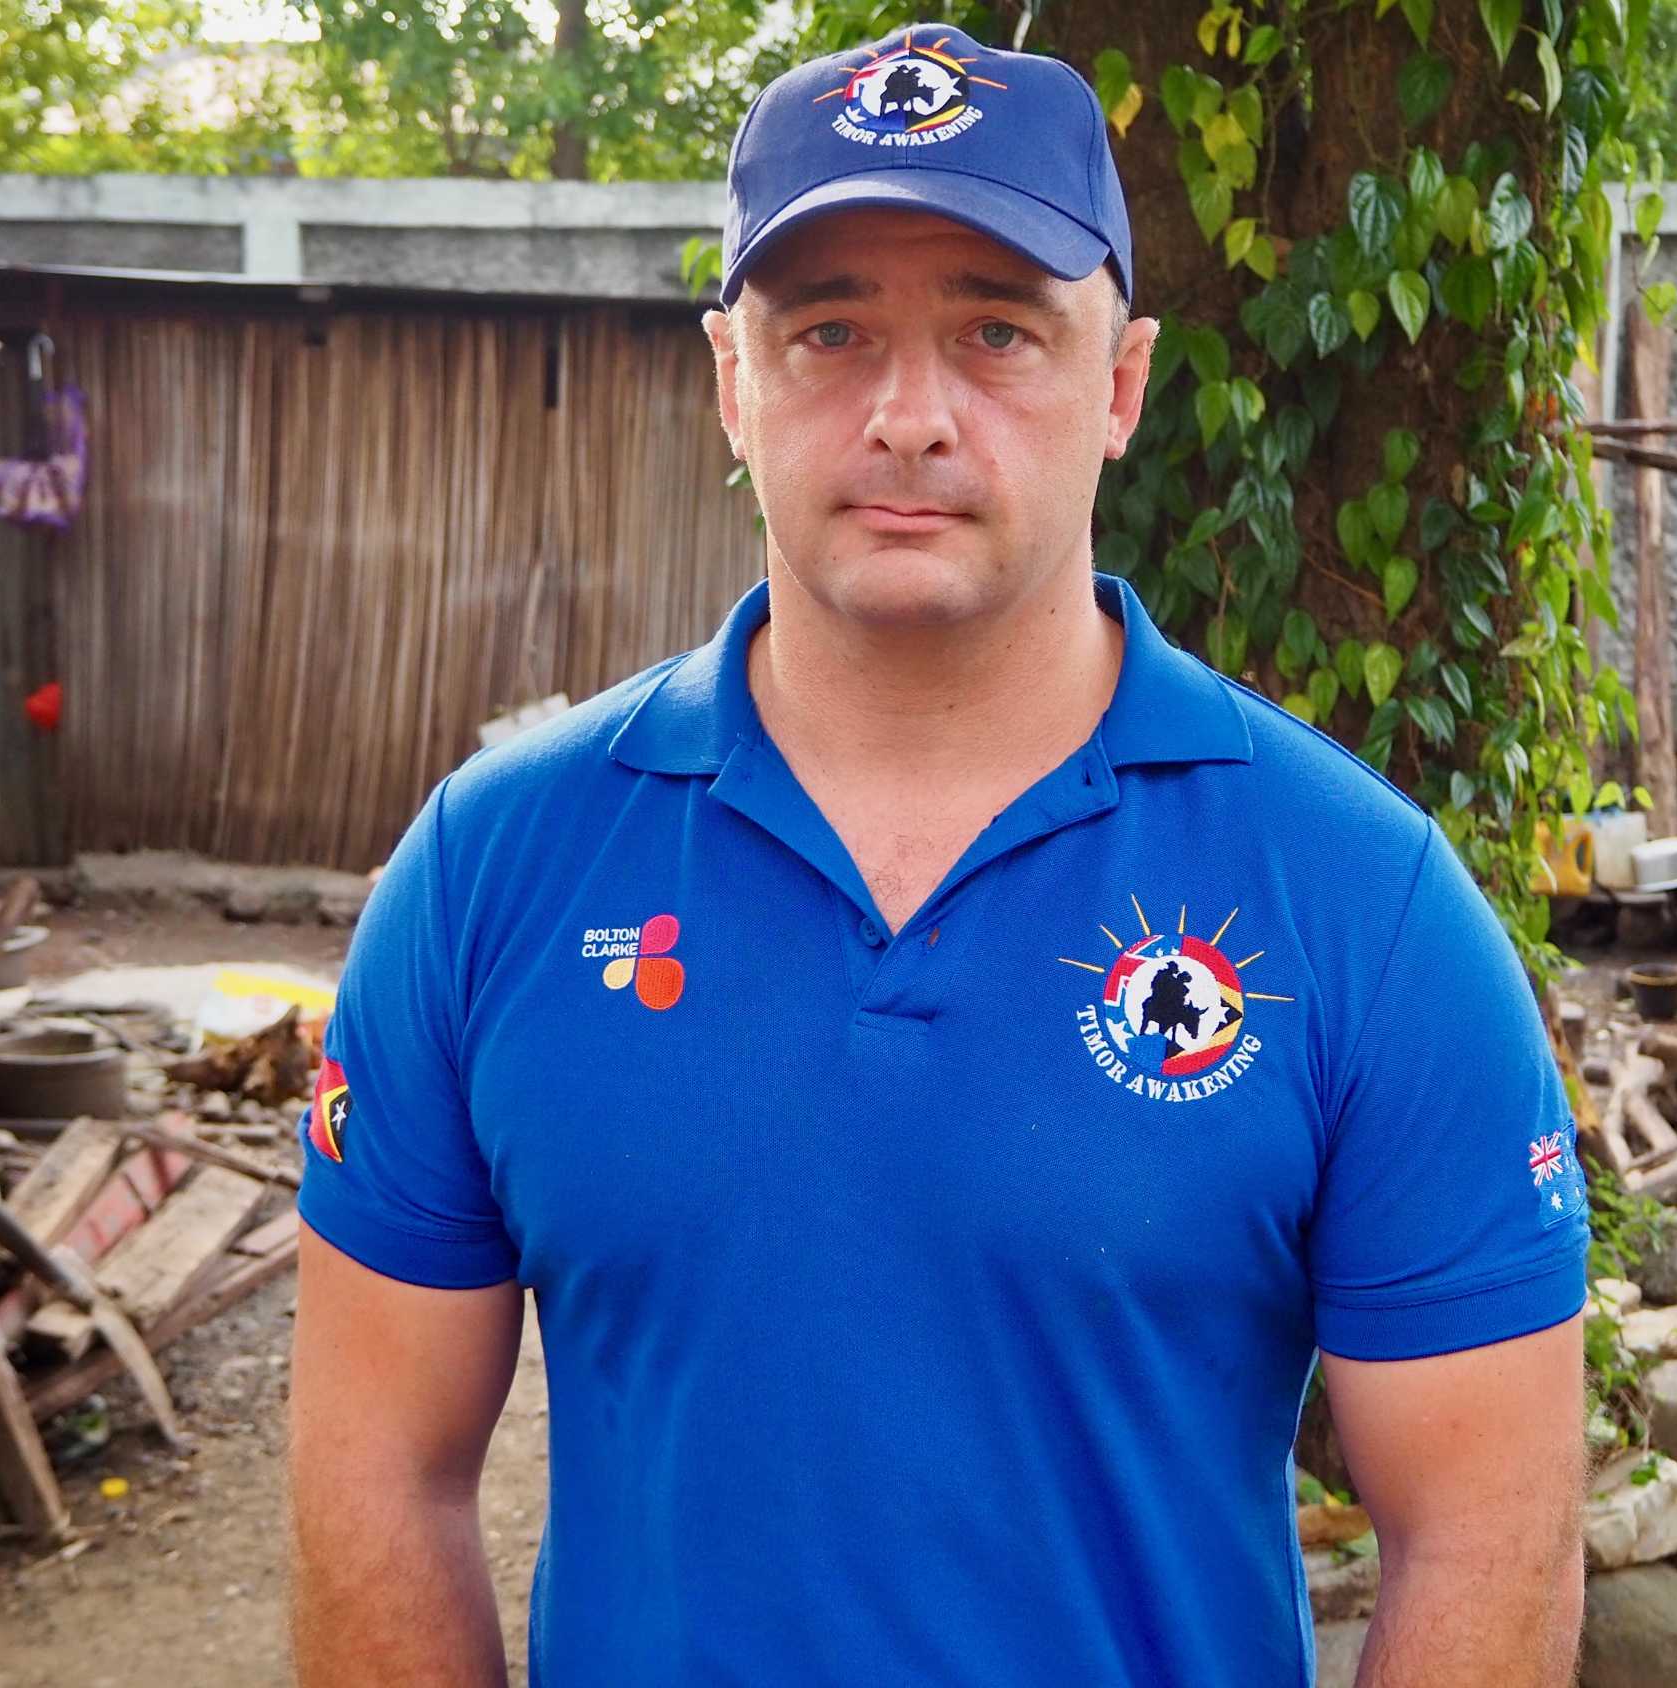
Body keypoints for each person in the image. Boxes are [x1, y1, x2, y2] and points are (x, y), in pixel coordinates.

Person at [287, 24, 1588, 1686]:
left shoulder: (1364, 904)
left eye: (997, 330)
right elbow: (375, 1483)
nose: (911, 416)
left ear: (1119, 385)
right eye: (829, 331)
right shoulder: (491, 870)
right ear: (730, 385)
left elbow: (1487, 1533)